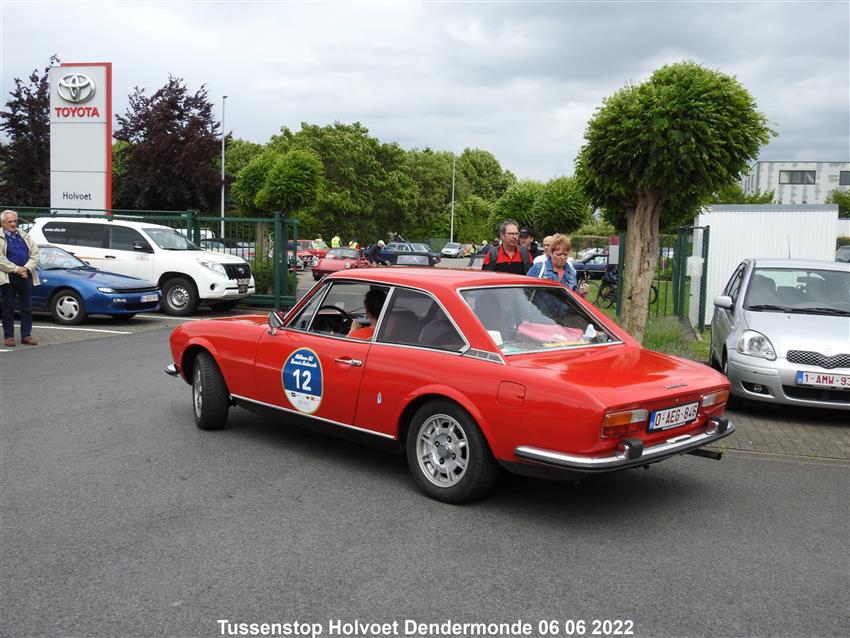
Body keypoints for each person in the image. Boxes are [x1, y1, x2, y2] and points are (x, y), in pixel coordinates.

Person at [0, 209, 40, 346]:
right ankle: (9, 336)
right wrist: (17, 269)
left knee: (27, 307)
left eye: (14, 221)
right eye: (9, 221)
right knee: (8, 308)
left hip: (25, 276)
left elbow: (35, 254)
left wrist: (26, 268)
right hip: (8, 277)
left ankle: (26, 335)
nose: (13, 224)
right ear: (3, 223)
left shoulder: (24, 236)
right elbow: (1, 260)